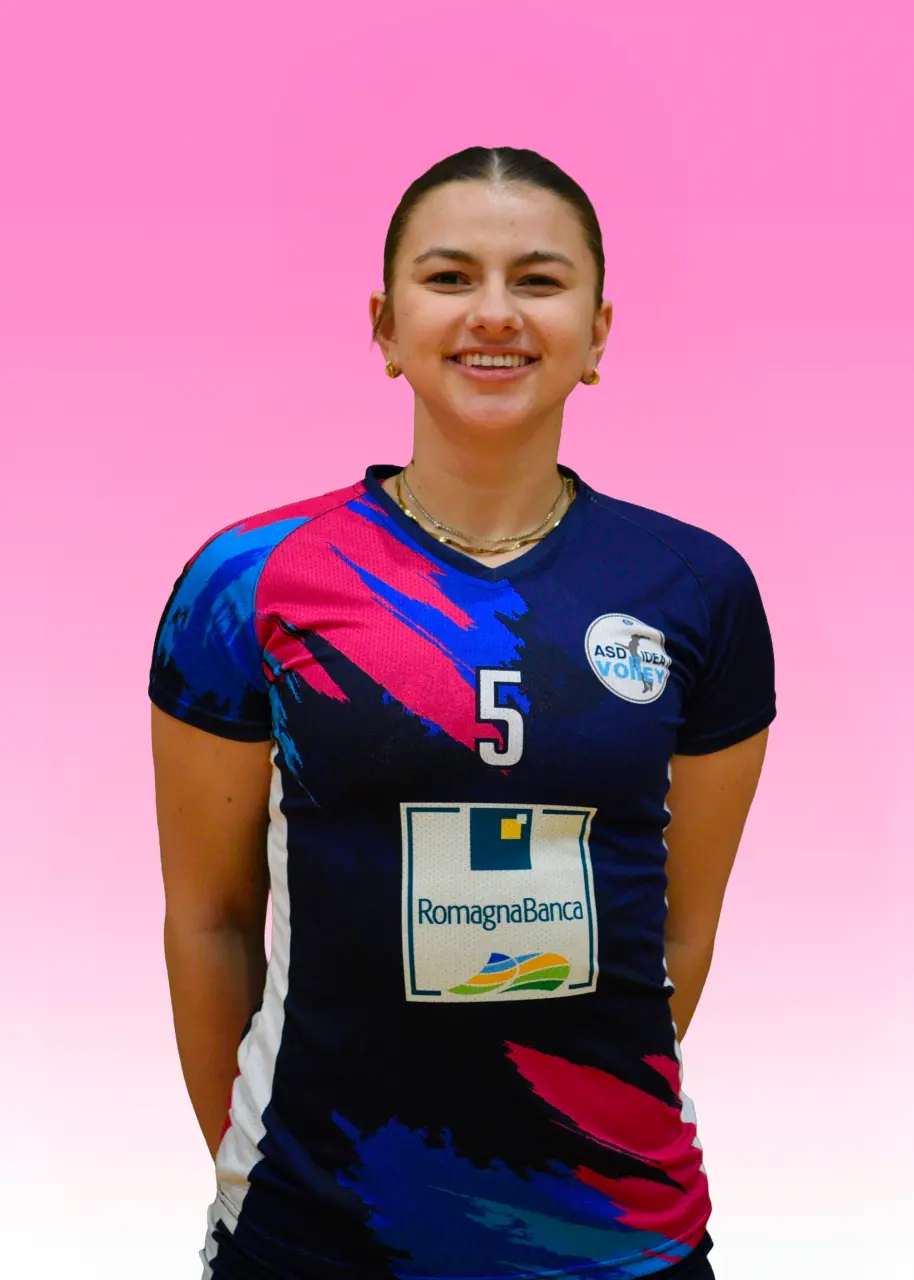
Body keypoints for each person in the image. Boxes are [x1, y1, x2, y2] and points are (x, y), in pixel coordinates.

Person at [150, 146, 775, 1280]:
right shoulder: (249, 580)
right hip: (312, 1233)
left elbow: (678, 931)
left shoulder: (697, 588)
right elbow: (210, 918)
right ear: (385, 327)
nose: (494, 312)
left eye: (538, 280)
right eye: (449, 278)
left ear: (597, 333)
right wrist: (274, 1180)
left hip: (616, 1235)